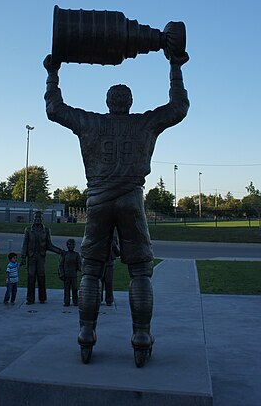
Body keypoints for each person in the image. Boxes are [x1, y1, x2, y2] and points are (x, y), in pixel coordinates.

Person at [44, 47, 189, 366]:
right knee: (140, 273)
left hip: (97, 201)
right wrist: (175, 67)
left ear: (108, 103)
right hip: (131, 201)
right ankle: (140, 336)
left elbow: (55, 109)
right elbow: (178, 107)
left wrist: (53, 75)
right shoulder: (144, 124)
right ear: (129, 103)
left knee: (91, 272)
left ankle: (86, 333)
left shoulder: (90, 123)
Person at [20, 210, 64, 304]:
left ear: (42, 219)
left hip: (41, 257)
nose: (37, 219)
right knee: (31, 276)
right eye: (36, 217)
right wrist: (23, 256)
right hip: (31, 257)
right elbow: (25, 244)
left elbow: (49, 245)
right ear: (33, 218)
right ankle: (30, 299)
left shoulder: (46, 230)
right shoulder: (28, 230)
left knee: (41, 276)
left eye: (39, 218)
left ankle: (42, 298)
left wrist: (60, 251)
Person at [58, 238, 81, 307]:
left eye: (73, 244)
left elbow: (79, 265)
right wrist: (62, 274)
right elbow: (61, 265)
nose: (71, 246)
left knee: (75, 289)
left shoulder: (76, 255)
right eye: (70, 244)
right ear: (67, 245)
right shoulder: (65, 254)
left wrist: (82, 269)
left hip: (73, 275)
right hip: (66, 275)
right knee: (66, 289)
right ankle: (66, 301)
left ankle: (75, 301)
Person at [101, 235, 120, 306]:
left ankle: (109, 299)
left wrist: (114, 246)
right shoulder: (100, 236)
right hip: (101, 262)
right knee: (100, 281)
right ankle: (99, 299)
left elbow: (118, 253)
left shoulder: (114, 238)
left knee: (108, 281)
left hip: (110, 263)